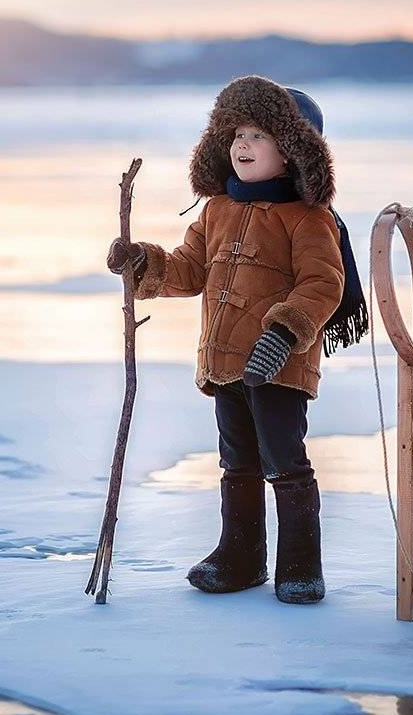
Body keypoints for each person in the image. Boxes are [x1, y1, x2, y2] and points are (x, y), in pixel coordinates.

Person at [106, 74, 349, 604]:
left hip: (278, 363)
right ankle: (240, 557)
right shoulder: (217, 210)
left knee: (283, 458)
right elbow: (188, 270)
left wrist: (283, 332)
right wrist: (144, 263)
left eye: (259, 135)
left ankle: (301, 567)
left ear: (293, 149)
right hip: (224, 363)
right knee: (237, 459)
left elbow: (323, 283)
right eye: (238, 134)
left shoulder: (307, 218)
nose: (244, 145)